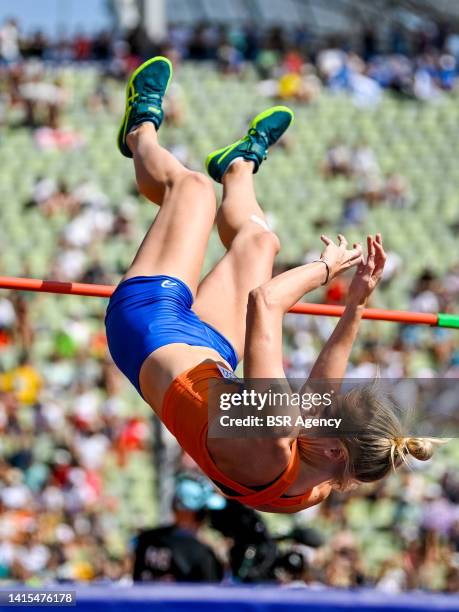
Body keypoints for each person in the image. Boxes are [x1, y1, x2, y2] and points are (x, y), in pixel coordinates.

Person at [105, 56, 440, 515]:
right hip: (209, 353)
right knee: (260, 242)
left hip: (146, 327)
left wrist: (326, 269)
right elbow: (324, 383)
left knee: (192, 191)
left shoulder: (276, 431)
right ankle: (238, 165)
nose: (321, 404)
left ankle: (139, 128)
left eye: (328, 413)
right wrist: (357, 302)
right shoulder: (317, 483)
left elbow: (265, 302)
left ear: (333, 451)